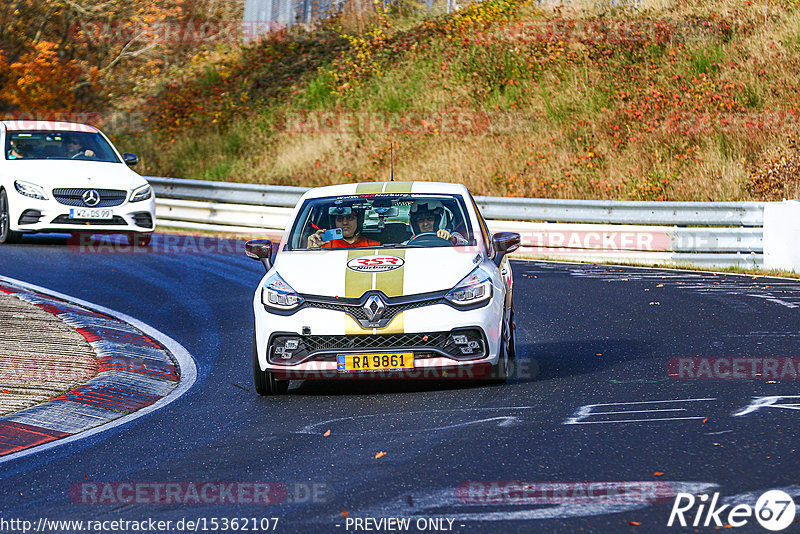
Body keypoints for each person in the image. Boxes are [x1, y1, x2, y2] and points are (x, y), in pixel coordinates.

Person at [308, 207, 381, 249]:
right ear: (334, 223)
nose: (345, 223)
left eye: (350, 218)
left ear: (358, 221)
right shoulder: (324, 246)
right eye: (340, 219)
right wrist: (312, 250)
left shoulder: (374, 245)